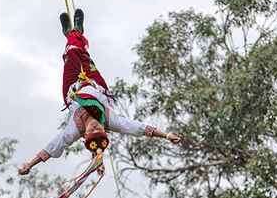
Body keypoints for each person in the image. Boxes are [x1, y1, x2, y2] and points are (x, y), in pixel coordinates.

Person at [18, 9, 181, 176]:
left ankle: (72, 35)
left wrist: (30, 164)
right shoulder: (110, 121)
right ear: (104, 131)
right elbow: (137, 128)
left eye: (92, 132)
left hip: (73, 89)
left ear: (84, 135)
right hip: (97, 86)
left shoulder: (74, 130)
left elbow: (52, 147)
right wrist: (166, 135)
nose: (96, 128)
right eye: (100, 131)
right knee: (84, 55)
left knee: (72, 52)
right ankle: (76, 33)